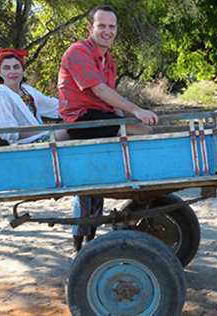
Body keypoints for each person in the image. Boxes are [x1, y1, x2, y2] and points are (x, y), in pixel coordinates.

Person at [57, 4, 159, 256]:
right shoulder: (78, 51)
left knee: (140, 133)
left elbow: (109, 102)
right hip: (81, 121)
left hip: (97, 118)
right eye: (101, 25)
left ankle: (90, 242)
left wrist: (127, 120)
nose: (107, 31)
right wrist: (136, 112)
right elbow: (98, 91)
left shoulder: (108, 61)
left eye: (111, 26)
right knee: (140, 131)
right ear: (90, 28)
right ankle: (81, 249)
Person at [0, 47, 69, 144]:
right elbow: (9, 131)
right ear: (0, 73)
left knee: (76, 127)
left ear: (22, 70)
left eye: (16, 67)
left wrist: (77, 108)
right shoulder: (1, 95)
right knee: (71, 132)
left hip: (42, 134)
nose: (12, 72)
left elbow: (54, 106)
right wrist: (42, 131)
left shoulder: (28, 91)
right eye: (6, 68)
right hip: (24, 143)